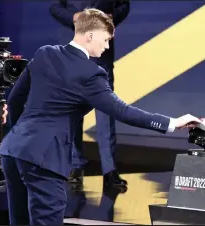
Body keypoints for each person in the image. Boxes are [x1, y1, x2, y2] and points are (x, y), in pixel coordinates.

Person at [0, 8, 202, 225]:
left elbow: (14, 100)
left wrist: (21, 136)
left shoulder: (45, 53)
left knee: (18, 221)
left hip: (13, 150)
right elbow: (122, 111)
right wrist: (172, 123)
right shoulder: (90, 74)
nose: (107, 46)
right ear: (90, 35)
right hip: (45, 157)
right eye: (105, 39)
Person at [49, 0, 130, 188]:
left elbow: (123, 4)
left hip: (101, 55)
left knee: (106, 113)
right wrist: (73, 17)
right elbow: (55, 6)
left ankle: (109, 170)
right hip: (71, 51)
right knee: (73, 110)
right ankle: (75, 166)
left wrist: (112, 17)